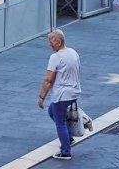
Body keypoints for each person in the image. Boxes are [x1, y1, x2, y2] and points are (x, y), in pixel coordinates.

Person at [36, 29, 82, 161]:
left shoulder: (55, 57)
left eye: (51, 41)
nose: (49, 44)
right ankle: (68, 137)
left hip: (62, 95)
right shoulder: (73, 52)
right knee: (52, 112)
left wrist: (41, 97)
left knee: (60, 122)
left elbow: (48, 80)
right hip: (74, 92)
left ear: (59, 42)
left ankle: (66, 151)